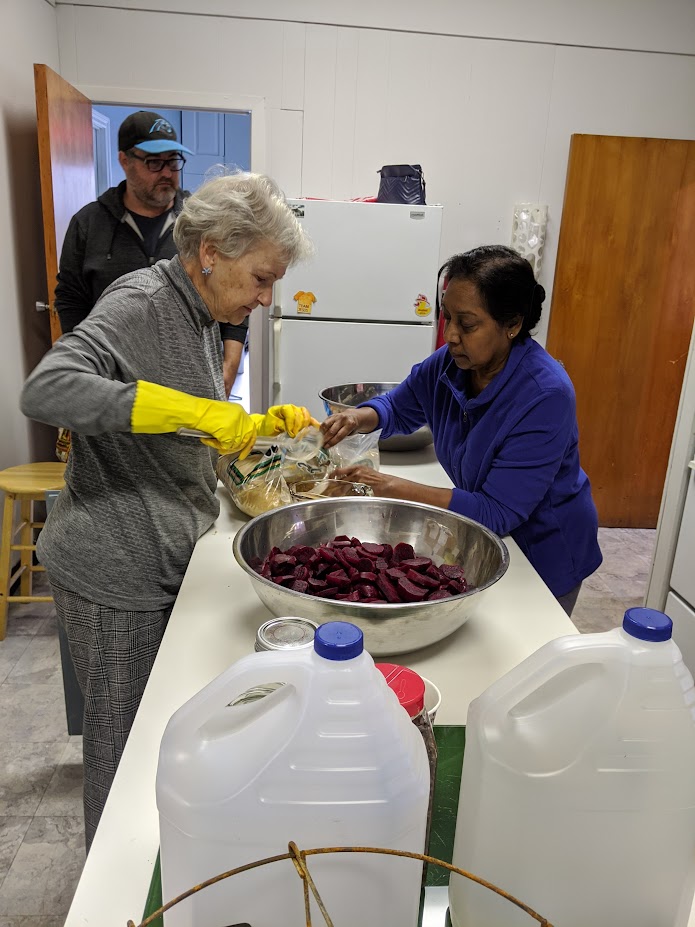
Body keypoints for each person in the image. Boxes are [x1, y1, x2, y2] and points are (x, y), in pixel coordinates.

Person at [20, 171, 314, 851]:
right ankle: (113, 887)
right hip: (114, 570)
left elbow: (183, 425)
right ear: (210, 251)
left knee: (160, 738)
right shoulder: (143, 301)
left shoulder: (201, 314)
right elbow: (48, 389)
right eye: (261, 278)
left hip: (164, 554)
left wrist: (250, 428)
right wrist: (189, 411)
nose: (266, 298)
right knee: (121, 755)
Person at [321, 245, 602, 614]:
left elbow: (497, 512)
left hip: (542, 554)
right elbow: (399, 407)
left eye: (467, 325)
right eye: (447, 317)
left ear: (512, 324)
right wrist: (358, 418)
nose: (451, 335)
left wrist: (390, 487)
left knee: (527, 639)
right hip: (482, 535)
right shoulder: (451, 363)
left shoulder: (545, 395)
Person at [55, 109, 247, 395]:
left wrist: (230, 363)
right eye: (155, 162)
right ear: (124, 160)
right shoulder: (88, 223)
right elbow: (71, 298)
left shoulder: (203, 220)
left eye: (173, 161)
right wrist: (84, 367)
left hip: (191, 384)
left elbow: (235, 287)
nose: (167, 173)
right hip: (116, 388)